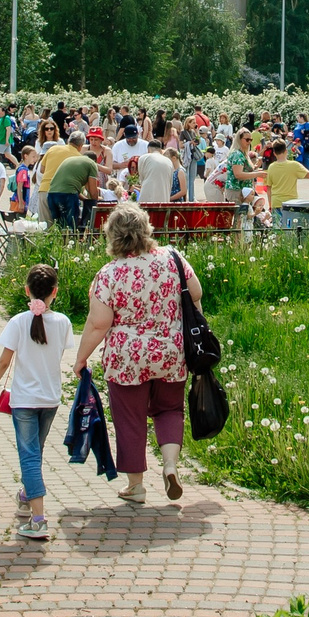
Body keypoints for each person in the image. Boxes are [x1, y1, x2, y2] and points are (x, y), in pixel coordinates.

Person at [72, 203, 202, 505]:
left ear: (112, 235)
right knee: (170, 409)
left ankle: (136, 486)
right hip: (171, 351)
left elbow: (99, 323)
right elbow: (195, 294)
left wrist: (81, 357)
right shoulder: (173, 258)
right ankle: (170, 465)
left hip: (127, 358)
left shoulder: (109, 273)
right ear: (146, 228)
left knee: (129, 418)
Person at [0, 264, 72, 541]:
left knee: (29, 455)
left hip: (23, 401)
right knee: (35, 451)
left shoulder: (18, 322)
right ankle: (25, 496)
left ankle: (39, 520)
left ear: (26, 290)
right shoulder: (63, 323)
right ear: (55, 292)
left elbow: (3, 362)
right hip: (50, 398)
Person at [46, 136, 101, 231]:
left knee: (58, 227)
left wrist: (85, 200)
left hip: (52, 193)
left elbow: (71, 186)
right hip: (68, 196)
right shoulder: (92, 164)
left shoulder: (72, 160)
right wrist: (95, 204)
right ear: (95, 161)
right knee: (70, 228)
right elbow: (93, 191)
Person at [262, 141, 308, 213]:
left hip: (276, 202)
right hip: (291, 201)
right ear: (286, 151)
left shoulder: (271, 167)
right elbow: (308, 175)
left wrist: (270, 205)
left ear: (274, 153)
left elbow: (269, 188)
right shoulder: (294, 165)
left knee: (277, 220)